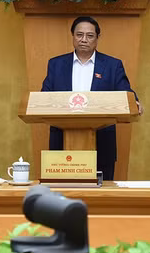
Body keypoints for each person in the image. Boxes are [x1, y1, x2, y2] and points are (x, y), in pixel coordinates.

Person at [41, 16, 141, 180]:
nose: (84, 40)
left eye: (89, 36)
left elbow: (125, 92)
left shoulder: (112, 65)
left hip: (102, 142)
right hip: (62, 144)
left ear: (97, 38)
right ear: (72, 36)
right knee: (62, 199)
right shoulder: (56, 64)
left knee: (101, 199)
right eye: (79, 35)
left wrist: (134, 101)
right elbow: (45, 97)